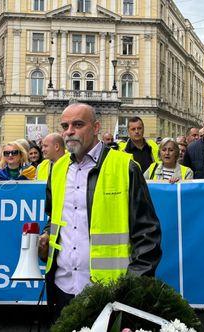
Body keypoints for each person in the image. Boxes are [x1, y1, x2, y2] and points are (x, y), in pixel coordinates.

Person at [37, 103, 162, 318]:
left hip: (109, 291)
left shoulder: (125, 166)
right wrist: (47, 236)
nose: (69, 131)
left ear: (96, 128)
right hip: (62, 288)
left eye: (78, 124)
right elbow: (53, 216)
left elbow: (147, 234)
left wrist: (132, 286)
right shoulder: (57, 168)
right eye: (65, 125)